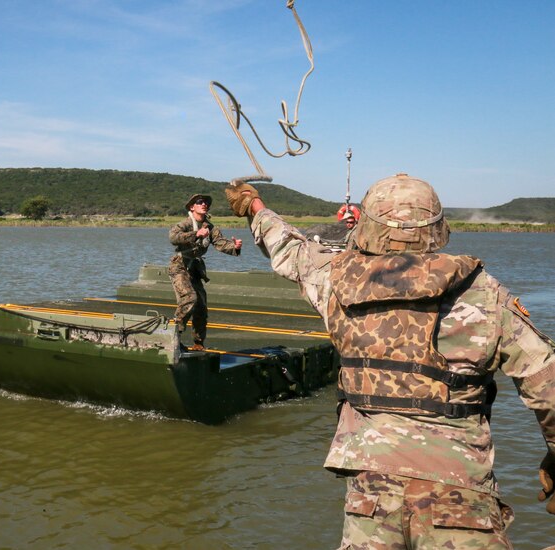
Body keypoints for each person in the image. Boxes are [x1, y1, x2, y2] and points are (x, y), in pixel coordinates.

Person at [225, 173, 555, 548]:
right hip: (460, 494)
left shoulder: (335, 281)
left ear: (368, 226)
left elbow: (287, 248)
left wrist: (255, 207)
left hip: (371, 495)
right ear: (437, 227)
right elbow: (548, 387)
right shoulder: (484, 293)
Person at [169, 193, 242, 351]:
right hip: (180, 265)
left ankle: (198, 343)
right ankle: (173, 335)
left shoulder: (210, 227)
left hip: (195, 268)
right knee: (189, 297)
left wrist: (235, 247)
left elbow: (221, 243)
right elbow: (173, 237)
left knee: (201, 306)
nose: (204, 204)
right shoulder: (185, 224)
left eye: (206, 202)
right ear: (192, 207)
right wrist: (196, 234)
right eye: (200, 202)